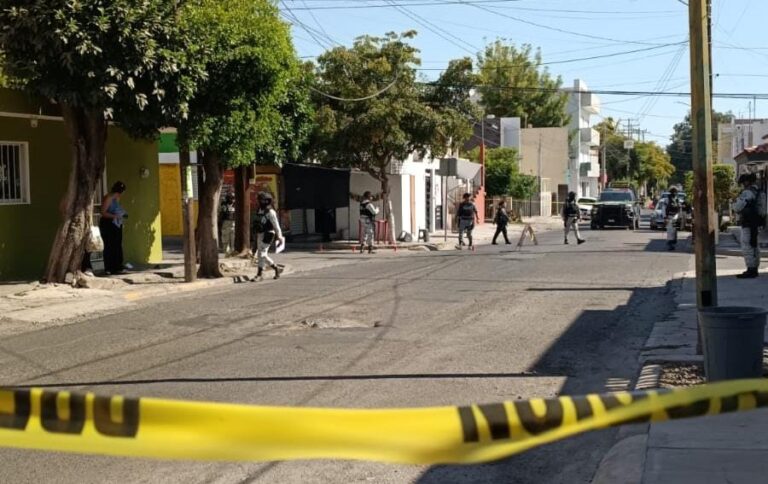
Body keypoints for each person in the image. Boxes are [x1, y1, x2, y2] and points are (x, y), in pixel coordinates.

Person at [733, 173, 763, 278]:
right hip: (757, 222)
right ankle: (755, 268)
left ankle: (751, 269)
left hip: (748, 222)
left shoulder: (747, 192)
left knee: (747, 245)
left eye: (742, 183)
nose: (742, 185)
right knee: (755, 245)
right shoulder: (759, 191)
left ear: (746, 182)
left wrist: (735, 204)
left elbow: (737, 207)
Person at [252, 192, 284, 281]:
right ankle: (273, 269)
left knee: (262, 254)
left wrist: (280, 237)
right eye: (259, 200)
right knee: (260, 254)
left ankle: (263, 273)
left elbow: (276, 225)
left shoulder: (270, 212)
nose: (260, 202)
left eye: (262, 200)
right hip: (260, 234)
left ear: (267, 201)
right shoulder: (259, 210)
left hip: (268, 234)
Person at [99, 181, 127, 275]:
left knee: (117, 244)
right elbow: (103, 212)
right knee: (109, 245)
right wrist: (115, 216)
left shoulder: (117, 198)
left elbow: (115, 209)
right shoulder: (109, 198)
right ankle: (109, 267)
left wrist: (121, 214)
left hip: (116, 223)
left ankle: (117, 266)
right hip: (108, 224)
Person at [663, 187, 681, 251]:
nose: (674, 193)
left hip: (672, 217)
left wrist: (665, 217)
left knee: (672, 231)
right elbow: (664, 208)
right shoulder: (674, 199)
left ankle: (671, 244)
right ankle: (671, 244)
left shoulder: (673, 199)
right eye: (674, 192)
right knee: (672, 230)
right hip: (672, 217)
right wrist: (665, 217)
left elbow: (664, 208)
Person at [219, 191, 236, 255]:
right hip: (225, 223)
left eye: (233, 198)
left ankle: (232, 251)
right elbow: (221, 215)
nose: (233, 200)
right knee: (225, 239)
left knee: (233, 239)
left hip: (233, 224)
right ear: (228, 198)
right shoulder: (224, 205)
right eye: (231, 198)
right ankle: (226, 253)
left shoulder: (235, 205)